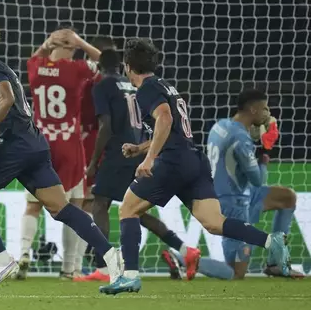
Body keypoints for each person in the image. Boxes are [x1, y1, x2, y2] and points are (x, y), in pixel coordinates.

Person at [99, 38, 290, 295]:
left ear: (128, 66)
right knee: (214, 222)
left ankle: (130, 276)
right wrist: (140, 148)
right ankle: (271, 241)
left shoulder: (146, 89)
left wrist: (149, 158)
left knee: (128, 209)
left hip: (172, 162)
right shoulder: (166, 86)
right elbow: (171, 129)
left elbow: (165, 119)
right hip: (192, 160)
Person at [0, 17, 122, 291]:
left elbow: (6, 99)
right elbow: (16, 114)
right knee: (63, 208)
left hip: (16, 148)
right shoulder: (4, 69)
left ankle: (2, 258)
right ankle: (110, 256)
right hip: (36, 145)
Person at [77, 48, 200, 282]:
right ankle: (186, 251)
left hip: (118, 152)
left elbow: (105, 125)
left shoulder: (103, 86)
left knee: (99, 203)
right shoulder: (131, 85)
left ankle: (104, 268)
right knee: (137, 211)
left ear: (100, 67)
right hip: (138, 148)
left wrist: (93, 162)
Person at [164, 89, 300, 280]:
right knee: (236, 273)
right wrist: (264, 151)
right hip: (233, 203)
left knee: (287, 198)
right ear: (253, 109)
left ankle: (276, 262)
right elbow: (258, 179)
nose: (267, 113)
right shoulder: (240, 138)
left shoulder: (221, 126)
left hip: (240, 193)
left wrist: (253, 142)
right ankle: (184, 259)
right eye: (264, 108)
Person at [17, 27, 101, 280]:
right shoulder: (75, 69)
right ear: (71, 50)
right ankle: (69, 268)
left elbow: (35, 57)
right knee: (76, 206)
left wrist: (48, 43)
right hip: (69, 145)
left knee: (32, 204)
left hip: (40, 144)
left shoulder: (37, 67)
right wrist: (81, 42)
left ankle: (23, 253)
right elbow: (104, 62)